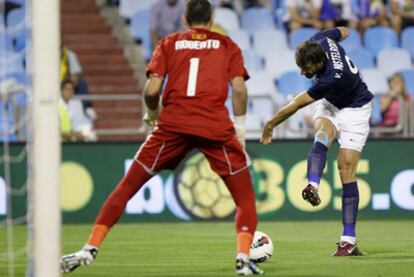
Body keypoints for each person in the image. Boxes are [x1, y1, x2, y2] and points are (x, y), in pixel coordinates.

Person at [61, 0, 263, 275]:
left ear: (184, 18)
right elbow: (239, 90)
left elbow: (151, 89)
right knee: (245, 199)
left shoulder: (168, 43)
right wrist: (239, 130)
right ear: (212, 17)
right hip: (215, 128)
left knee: (127, 187)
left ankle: (89, 248)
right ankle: (243, 259)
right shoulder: (227, 45)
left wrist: (153, 115)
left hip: (173, 125)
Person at [261, 27, 373, 256]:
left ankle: (348, 242)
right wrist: (344, 33)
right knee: (322, 134)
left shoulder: (331, 78)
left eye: (307, 68)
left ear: (320, 63)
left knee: (346, 170)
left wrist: (270, 124)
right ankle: (312, 184)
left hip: (356, 108)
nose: (302, 73)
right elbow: (344, 31)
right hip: (332, 104)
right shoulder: (318, 40)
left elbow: (296, 105)